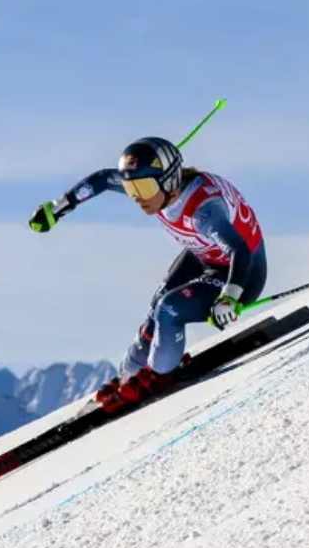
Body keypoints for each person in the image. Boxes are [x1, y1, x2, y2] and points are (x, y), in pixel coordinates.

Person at [28, 137, 267, 410]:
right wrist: (59, 207)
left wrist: (229, 297)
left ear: (169, 181)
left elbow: (240, 251)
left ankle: (158, 376)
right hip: (205, 254)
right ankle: (130, 376)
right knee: (158, 302)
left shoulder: (203, 211)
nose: (137, 197)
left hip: (242, 273)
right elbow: (104, 180)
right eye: (131, 188)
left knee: (170, 309)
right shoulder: (158, 189)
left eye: (142, 187)